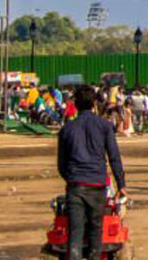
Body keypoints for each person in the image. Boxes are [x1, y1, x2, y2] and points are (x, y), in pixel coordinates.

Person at [57, 84, 127, 260]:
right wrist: (121, 185)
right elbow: (114, 157)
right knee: (96, 231)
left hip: (76, 186)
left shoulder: (67, 129)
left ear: (76, 104)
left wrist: (72, 178)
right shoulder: (104, 126)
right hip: (97, 185)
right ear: (94, 103)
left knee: (75, 233)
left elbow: (61, 164)